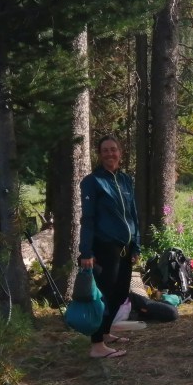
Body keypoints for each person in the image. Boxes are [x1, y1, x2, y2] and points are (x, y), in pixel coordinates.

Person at [78, 134, 140, 359]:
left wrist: (136, 245)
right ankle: (96, 346)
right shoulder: (92, 182)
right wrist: (86, 251)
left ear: (120, 153)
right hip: (104, 247)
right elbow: (88, 219)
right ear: (99, 154)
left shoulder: (125, 180)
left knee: (120, 293)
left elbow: (133, 214)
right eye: (105, 150)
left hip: (125, 247)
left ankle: (105, 333)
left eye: (113, 149)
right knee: (103, 296)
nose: (110, 153)